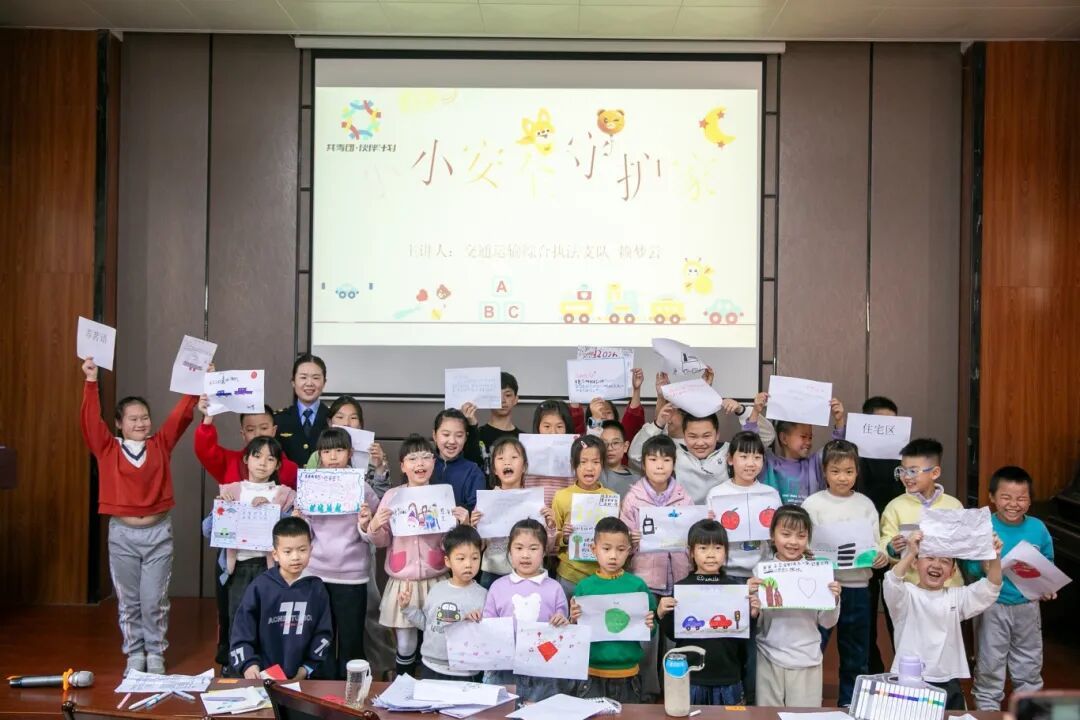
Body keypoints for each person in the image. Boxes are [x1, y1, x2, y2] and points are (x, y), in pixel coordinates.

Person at [79, 356, 198, 675]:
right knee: (129, 601)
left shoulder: (160, 444)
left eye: (145, 417)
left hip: (159, 534)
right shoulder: (108, 449)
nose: (141, 423)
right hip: (123, 536)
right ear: (119, 423)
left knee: (153, 600)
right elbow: (90, 422)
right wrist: (91, 381)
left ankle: (155, 652)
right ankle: (134, 653)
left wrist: (197, 382)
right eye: (133, 419)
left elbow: (180, 416)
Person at [366, 435, 469, 677]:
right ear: (402, 466)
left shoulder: (443, 495)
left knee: (438, 635)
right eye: (412, 458)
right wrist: (375, 525)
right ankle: (404, 685)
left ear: (434, 462)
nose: (419, 463)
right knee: (405, 642)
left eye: (425, 457)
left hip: (437, 577)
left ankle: (434, 684)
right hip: (404, 580)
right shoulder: (393, 496)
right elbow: (382, 541)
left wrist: (463, 524)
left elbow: (452, 541)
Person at [802, 439, 888, 707]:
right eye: (836, 471)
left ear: (857, 472)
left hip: (858, 588)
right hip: (823, 588)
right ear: (824, 472)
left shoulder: (865, 505)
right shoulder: (813, 504)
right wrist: (808, 554)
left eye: (849, 471)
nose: (842, 477)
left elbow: (876, 544)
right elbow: (804, 542)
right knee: (814, 648)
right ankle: (806, 703)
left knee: (856, 653)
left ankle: (851, 705)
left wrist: (880, 555)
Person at [963, 466, 1056, 711]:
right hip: (992, 606)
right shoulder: (983, 527)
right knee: (990, 664)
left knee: (1029, 664)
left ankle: (1029, 710)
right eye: (1006, 497)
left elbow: (1048, 561)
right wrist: (984, 566)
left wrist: (1047, 585)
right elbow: (969, 567)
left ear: (1030, 500)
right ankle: (987, 709)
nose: (1013, 504)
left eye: (1021, 498)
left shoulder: (1038, 528)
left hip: (1028, 606)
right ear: (992, 497)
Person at [886, 530, 1003, 710]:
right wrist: (911, 552)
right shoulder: (906, 595)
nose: (936, 565)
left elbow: (991, 587)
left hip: (948, 680)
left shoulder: (956, 597)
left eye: (945, 561)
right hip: (909, 680)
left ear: (952, 572)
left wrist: (995, 556)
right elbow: (892, 581)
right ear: (915, 563)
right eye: (929, 558)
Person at [299, 428, 380, 679]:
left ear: (350, 453)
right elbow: (305, 533)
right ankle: (320, 695)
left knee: (351, 641)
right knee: (319, 640)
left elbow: (376, 531)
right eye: (326, 451)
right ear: (319, 455)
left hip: (352, 576)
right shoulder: (310, 486)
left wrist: (365, 523)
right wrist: (299, 520)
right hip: (316, 573)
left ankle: (352, 695)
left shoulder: (362, 488)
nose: (333, 457)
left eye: (339, 450)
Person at [619, 434, 693, 701]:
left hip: (678, 579)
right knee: (647, 641)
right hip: (646, 580)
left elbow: (692, 541)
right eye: (653, 459)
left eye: (666, 460)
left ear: (674, 463)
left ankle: (675, 694)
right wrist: (632, 541)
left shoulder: (684, 498)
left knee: (675, 643)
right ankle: (647, 696)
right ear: (643, 463)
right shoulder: (633, 499)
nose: (660, 465)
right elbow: (621, 544)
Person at [749, 505, 841, 707]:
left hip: (807, 657)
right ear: (772, 535)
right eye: (785, 534)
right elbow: (757, 619)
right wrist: (752, 607)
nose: (793, 542)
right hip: (768, 655)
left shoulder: (818, 572)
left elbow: (826, 622)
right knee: (767, 716)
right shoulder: (761, 572)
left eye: (801, 536)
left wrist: (834, 599)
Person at [657, 520, 752, 705]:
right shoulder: (682, 588)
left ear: (726, 552)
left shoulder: (735, 589)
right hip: (691, 675)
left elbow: (742, 636)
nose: (711, 554)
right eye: (703, 548)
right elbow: (673, 635)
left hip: (728, 674)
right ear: (691, 552)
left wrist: (752, 613)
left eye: (717, 548)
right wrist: (661, 613)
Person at [630, 385, 775, 504]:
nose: (700, 443)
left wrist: (741, 410)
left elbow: (767, 437)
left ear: (717, 434)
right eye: (693, 436)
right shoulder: (673, 453)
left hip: (723, 520)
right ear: (684, 435)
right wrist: (658, 424)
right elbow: (636, 455)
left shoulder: (729, 452)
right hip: (682, 520)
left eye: (706, 436)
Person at [229, 517, 333, 681]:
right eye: (287, 551)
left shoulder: (317, 588)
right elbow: (241, 632)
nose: (295, 557)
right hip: (263, 676)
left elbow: (324, 634)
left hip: (303, 677)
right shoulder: (260, 587)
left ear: (311, 550)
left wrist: (306, 668)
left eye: (302, 550)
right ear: (275, 554)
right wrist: (249, 664)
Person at [568, 516, 657, 703]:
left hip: (629, 674)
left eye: (621, 549)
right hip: (591, 674)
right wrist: (573, 621)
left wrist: (650, 625)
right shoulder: (584, 587)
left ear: (629, 551)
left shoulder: (637, 586)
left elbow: (650, 627)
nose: (613, 556)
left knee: (629, 715)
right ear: (594, 549)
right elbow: (575, 634)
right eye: (606, 549)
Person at [482, 519, 571, 703]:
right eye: (519, 548)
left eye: (533, 548)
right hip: (504, 671)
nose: (525, 555)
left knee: (542, 713)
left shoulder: (554, 588)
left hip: (543, 671)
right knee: (501, 713)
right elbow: (488, 627)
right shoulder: (498, 587)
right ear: (510, 551)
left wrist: (562, 621)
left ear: (544, 551)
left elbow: (563, 629)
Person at [216, 437, 295, 628]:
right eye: (257, 456)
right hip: (238, 567)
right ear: (246, 459)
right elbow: (207, 530)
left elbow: (294, 531)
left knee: (269, 621)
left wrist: (273, 511)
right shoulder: (232, 490)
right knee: (239, 620)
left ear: (278, 465)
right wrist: (219, 510)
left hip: (271, 568)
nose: (262, 463)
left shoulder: (284, 494)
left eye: (270, 459)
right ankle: (239, 649)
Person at [854, 395, 904, 673]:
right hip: (864, 543)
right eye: (881, 425)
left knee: (899, 615)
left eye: (893, 425)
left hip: (897, 545)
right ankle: (872, 672)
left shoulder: (904, 459)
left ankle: (904, 671)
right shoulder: (855, 457)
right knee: (866, 616)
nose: (888, 431)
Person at [398, 525, 488, 680]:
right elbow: (426, 624)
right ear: (448, 561)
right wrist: (406, 607)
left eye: (475, 558)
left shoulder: (483, 595)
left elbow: (487, 635)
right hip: (431, 667)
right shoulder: (437, 590)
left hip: (466, 671)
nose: (468, 564)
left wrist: (478, 621)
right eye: (461, 558)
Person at [470, 438, 556, 589]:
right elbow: (479, 547)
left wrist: (550, 526)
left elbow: (547, 548)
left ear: (524, 467)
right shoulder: (486, 502)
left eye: (514, 457)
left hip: (530, 573)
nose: (507, 462)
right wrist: (474, 528)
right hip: (493, 573)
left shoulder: (535, 502)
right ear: (494, 469)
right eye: (500, 458)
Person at [879, 439, 963, 586]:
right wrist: (892, 549)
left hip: (948, 587)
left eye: (913, 471)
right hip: (909, 587)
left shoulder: (954, 506)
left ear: (935, 472)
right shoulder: (895, 507)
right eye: (902, 470)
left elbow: (963, 546)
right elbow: (884, 546)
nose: (906, 477)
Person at [748, 393, 847, 505]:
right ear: (784, 438)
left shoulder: (814, 464)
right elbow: (750, 444)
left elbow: (837, 448)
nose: (808, 442)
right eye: (803, 437)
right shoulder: (767, 462)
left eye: (810, 437)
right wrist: (755, 411)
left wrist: (839, 420)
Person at [553, 435, 619, 597]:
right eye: (583, 462)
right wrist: (565, 537)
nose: (589, 468)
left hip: (603, 575)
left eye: (595, 462)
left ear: (602, 464)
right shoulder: (561, 496)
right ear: (573, 464)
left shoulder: (611, 498)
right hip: (570, 575)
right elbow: (551, 537)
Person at [195, 399, 299, 489]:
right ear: (243, 434)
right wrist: (207, 419)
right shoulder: (230, 462)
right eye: (250, 430)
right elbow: (205, 450)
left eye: (264, 428)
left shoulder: (290, 469)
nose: (258, 434)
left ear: (273, 430)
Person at [302, 395, 390, 498]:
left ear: (360, 423)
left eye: (353, 418)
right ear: (330, 422)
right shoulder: (317, 456)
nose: (346, 423)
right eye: (340, 417)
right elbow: (307, 492)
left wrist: (380, 466)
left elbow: (381, 498)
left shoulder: (374, 454)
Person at [274, 353, 329, 466]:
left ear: (324, 383)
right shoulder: (278, 419)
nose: (309, 383)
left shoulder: (333, 417)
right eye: (303, 377)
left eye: (316, 378)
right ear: (293, 382)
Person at [463, 371, 521, 473]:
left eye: (508, 395)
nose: (502, 400)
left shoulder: (523, 438)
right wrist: (471, 425)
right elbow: (469, 466)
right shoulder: (477, 434)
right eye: (497, 396)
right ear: (488, 399)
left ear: (516, 399)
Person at [524, 399, 577, 508]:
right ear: (538, 427)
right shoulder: (526, 450)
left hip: (564, 509)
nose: (553, 432)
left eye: (559, 427)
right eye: (547, 426)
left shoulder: (575, 451)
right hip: (534, 509)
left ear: (567, 428)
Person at [432, 409, 486, 512]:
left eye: (459, 436)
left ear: (466, 438)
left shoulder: (473, 471)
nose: (452, 441)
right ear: (434, 435)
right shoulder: (424, 466)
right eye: (446, 434)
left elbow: (476, 510)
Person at [598, 420, 636, 499]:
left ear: (625, 447)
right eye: (604, 443)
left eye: (615, 443)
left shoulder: (638, 480)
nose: (609, 448)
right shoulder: (592, 474)